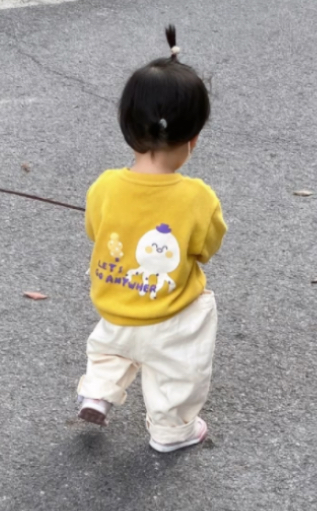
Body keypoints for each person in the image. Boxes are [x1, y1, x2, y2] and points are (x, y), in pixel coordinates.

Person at [76, 25, 227, 453]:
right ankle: (172, 431)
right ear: (193, 136)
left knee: (109, 349)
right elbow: (207, 247)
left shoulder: (104, 185)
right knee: (180, 367)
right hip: (171, 315)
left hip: (116, 307)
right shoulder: (198, 197)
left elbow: (94, 230)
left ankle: (99, 391)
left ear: (129, 127)